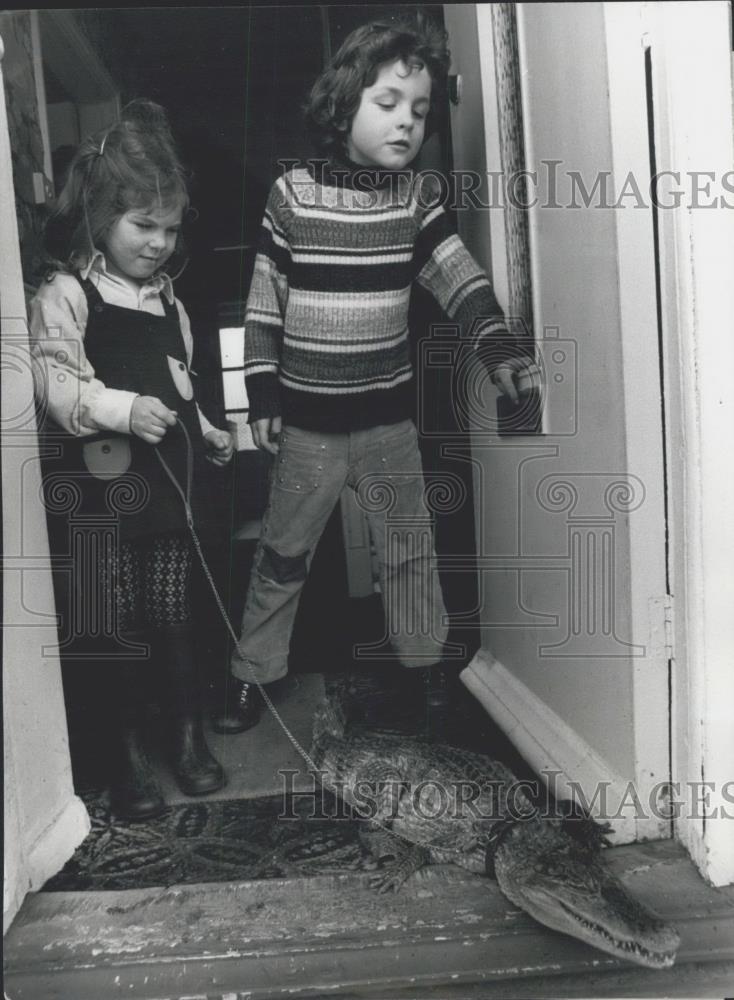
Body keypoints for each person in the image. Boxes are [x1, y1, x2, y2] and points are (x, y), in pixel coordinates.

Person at [221, 17, 533, 733]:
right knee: (282, 556)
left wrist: (499, 350)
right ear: (343, 104)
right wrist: (261, 392)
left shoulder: (416, 199)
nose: (407, 123)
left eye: (420, 111)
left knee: (409, 555)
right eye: (388, 103)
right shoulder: (292, 195)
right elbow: (264, 300)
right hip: (307, 431)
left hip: (388, 426)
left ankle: (428, 675)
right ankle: (252, 674)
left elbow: (458, 277)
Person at [30, 100, 234, 820]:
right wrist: (121, 408)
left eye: (170, 229)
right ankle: (127, 758)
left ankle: (186, 738)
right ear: (100, 217)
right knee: (109, 623)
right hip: (99, 494)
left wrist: (206, 425)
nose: (157, 243)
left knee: (175, 614)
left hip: (165, 489)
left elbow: (181, 383)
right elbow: (59, 388)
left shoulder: (168, 300)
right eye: (142, 225)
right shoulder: (67, 294)